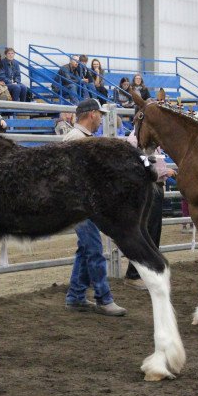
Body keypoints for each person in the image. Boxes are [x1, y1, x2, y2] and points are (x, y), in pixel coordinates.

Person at [64, 98, 127, 316]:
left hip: (82, 203)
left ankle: (76, 295)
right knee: (94, 249)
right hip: (80, 204)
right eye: (99, 114)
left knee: (86, 249)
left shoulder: (80, 138)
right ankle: (103, 298)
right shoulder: (77, 139)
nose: (101, 118)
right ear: (91, 114)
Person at [124, 132, 176, 290]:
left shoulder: (149, 139)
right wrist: (165, 172)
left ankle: (148, 273)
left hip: (155, 188)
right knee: (146, 234)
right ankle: (134, 275)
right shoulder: (136, 140)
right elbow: (141, 166)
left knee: (152, 233)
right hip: (148, 189)